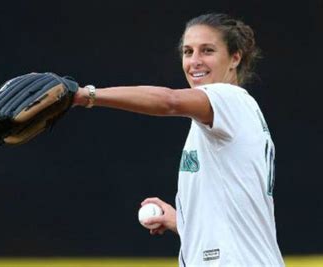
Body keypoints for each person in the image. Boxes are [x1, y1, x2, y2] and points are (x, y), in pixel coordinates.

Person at [73, 13, 284, 267]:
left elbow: (169, 101)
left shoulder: (228, 99)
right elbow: (237, 215)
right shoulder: (224, 118)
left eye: (207, 51)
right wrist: (181, 221)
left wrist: (86, 95)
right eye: (188, 52)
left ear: (235, 57)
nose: (194, 61)